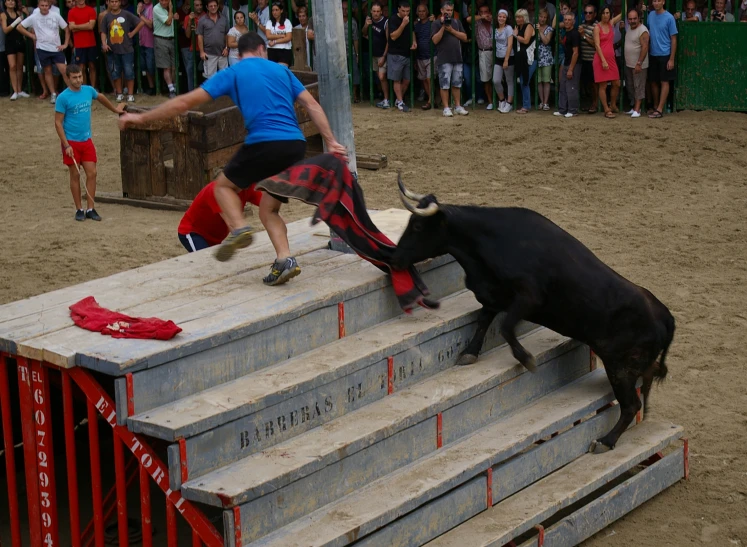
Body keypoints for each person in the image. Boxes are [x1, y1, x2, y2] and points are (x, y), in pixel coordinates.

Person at [119, 32, 347, 285]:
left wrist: (140, 118)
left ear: (240, 53)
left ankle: (238, 227)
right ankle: (285, 260)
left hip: (263, 142)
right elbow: (312, 105)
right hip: (294, 145)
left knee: (223, 186)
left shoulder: (233, 72)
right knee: (268, 209)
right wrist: (332, 141)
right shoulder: (282, 71)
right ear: (262, 49)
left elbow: (184, 102)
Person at [54, 64, 124, 221]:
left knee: (92, 173)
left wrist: (114, 109)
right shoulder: (63, 98)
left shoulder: (88, 90)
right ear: (68, 78)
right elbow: (58, 123)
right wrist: (66, 145)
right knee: (75, 174)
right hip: (71, 142)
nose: (78, 80)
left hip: (86, 140)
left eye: (80, 76)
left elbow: (100, 97)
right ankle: (79, 209)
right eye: (75, 77)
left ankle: (91, 208)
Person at [178, 181, 262, 251]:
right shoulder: (215, 191)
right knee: (205, 260)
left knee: (212, 262)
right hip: (193, 233)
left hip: (215, 237)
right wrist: (241, 235)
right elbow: (231, 223)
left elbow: (266, 204)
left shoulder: (246, 186)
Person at [16, 0, 70, 104]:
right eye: (42, 5)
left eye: (46, 5)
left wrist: (66, 44)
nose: (45, 7)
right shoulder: (34, 16)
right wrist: (31, 36)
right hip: (42, 48)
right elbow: (19, 27)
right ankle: (53, 94)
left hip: (56, 48)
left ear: (49, 6)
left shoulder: (55, 15)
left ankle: (73, 92)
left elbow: (66, 28)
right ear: (38, 6)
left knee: (64, 70)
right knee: (47, 71)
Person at [100, 0, 144, 102]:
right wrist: (104, 43)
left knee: (129, 72)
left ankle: (130, 94)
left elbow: (140, 23)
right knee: (115, 73)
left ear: (120, 3)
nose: (114, 3)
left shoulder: (127, 14)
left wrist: (132, 33)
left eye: (116, 1)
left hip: (127, 49)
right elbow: (103, 32)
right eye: (112, 1)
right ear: (109, 3)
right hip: (112, 50)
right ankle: (119, 94)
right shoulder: (106, 17)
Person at [431, 0, 468, 117]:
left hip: (457, 57)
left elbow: (465, 37)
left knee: (457, 83)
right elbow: (435, 40)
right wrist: (443, 27)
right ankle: (446, 107)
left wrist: (451, 30)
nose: (449, 13)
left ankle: (457, 106)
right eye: (447, 10)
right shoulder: (436, 23)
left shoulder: (456, 22)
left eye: (451, 10)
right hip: (444, 58)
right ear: (442, 10)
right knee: (444, 84)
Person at [646, 0, 676, 118]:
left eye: (658, 1)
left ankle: (660, 109)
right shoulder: (650, 15)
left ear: (663, 2)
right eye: (654, 1)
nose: (656, 3)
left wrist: (672, 58)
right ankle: (655, 106)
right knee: (653, 81)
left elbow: (673, 38)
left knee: (664, 81)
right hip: (653, 53)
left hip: (665, 54)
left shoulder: (669, 18)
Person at [592, 5, 621, 118]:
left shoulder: (611, 23)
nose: (605, 15)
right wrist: (603, 61)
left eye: (607, 13)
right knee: (603, 85)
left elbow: (623, 13)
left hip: (611, 59)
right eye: (603, 13)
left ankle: (613, 104)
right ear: (600, 14)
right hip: (600, 59)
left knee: (616, 83)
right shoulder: (597, 27)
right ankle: (606, 109)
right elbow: (597, 45)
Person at [386, 0, 415, 112]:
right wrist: (403, 24)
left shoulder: (409, 19)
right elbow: (393, 36)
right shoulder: (393, 19)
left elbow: (412, 31)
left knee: (407, 80)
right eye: (403, 11)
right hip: (395, 54)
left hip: (407, 53)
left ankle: (399, 100)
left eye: (408, 11)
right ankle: (401, 102)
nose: (405, 13)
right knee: (396, 80)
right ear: (398, 9)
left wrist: (414, 41)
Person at [362, 1, 389, 108]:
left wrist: (384, 56)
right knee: (379, 77)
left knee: (382, 77)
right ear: (371, 11)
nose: (376, 13)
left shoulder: (385, 22)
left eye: (378, 11)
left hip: (382, 54)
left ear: (381, 12)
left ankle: (387, 99)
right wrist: (366, 25)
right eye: (374, 11)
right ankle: (385, 98)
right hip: (373, 54)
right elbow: (363, 33)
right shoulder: (369, 21)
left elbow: (388, 41)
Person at [1, 0, 30, 100]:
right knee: (12, 66)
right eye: (8, 1)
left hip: (20, 41)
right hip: (10, 43)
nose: (11, 2)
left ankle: (19, 89)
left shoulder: (18, 13)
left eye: (12, 0)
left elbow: (26, 25)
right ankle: (15, 91)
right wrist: (17, 21)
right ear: (5, 3)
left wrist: (27, 14)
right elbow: (5, 30)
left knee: (19, 66)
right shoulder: (3, 15)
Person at [554, 11, 580, 117]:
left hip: (573, 64)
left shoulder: (574, 33)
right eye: (565, 20)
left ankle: (572, 110)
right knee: (563, 86)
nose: (567, 22)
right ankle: (562, 109)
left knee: (571, 87)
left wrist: (571, 69)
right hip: (567, 62)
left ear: (573, 21)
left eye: (569, 20)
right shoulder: (566, 32)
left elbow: (576, 52)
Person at [623, 7, 648, 118]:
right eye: (630, 19)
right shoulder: (629, 28)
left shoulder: (643, 30)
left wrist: (639, 63)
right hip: (629, 64)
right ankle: (634, 107)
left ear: (639, 18)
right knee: (630, 86)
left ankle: (637, 110)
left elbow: (645, 47)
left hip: (638, 65)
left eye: (634, 19)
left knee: (639, 86)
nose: (632, 21)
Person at [68, 0, 98, 88]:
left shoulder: (91, 10)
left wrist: (76, 26)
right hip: (79, 44)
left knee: (92, 66)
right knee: (81, 68)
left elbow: (91, 26)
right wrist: (86, 26)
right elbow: (71, 28)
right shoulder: (72, 12)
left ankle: (93, 88)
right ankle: (84, 88)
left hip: (91, 43)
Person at [152, 0, 178, 97]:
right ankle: (171, 89)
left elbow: (172, 22)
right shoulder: (156, 8)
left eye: (165, 0)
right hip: (161, 39)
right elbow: (168, 22)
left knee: (174, 66)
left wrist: (175, 17)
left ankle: (174, 86)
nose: (163, 2)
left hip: (171, 38)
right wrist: (171, 10)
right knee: (166, 67)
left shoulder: (169, 9)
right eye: (161, 0)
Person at [513, 8, 535, 114]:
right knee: (522, 81)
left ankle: (526, 106)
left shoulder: (529, 26)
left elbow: (526, 40)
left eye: (520, 17)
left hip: (530, 59)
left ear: (525, 17)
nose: (518, 19)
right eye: (517, 17)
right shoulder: (518, 27)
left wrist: (516, 35)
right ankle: (525, 104)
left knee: (524, 81)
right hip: (522, 58)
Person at [197, 0, 228, 77]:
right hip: (209, 54)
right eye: (211, 6)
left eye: (215, 5)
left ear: (218, 6)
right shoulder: (202, 20)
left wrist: (227, 48)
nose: (213, 7)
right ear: (207, 7)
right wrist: (201, 52)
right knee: (210, 79)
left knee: (225, 77)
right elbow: (200, 36)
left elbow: (227, 34)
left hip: (222, 53)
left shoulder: (224, 19)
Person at [413, 3, 434, 109]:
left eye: (423, 11)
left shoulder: (432, 23)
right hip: (420, 56)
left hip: (432, 55)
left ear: (427, 12)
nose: (421, 13)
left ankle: (430, 101)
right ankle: (432, 99)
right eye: (419, 11)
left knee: (430, 79)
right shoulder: (416, 25)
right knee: (424, 79)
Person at [493, 8, 514, 113]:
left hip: (508, 57)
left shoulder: (508, 28)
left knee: (509, 80)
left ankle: (509, 103)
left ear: (506, 18)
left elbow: (510, 44)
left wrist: (506, 60)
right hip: (498, 56)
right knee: (496, 80)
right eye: (500, 16)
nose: (501, 18)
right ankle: (502, 100)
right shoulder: (495, 28)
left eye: (503, 17)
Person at [473, 4, 494, 109]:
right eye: (482, 12)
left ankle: (500, 100)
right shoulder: (477, 22)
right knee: (486, 79)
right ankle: (490, 101)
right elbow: (468, 19)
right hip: (483, 52)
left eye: (486, 11)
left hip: (496, 52)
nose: (485, 14)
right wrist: (482, 17)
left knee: (497, 78)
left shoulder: (495, 21)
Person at [577, 3, 597, 113]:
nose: (588, 14)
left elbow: (596, 44)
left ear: (595, 14)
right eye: (586, 12)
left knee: (594, 84)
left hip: (593, 59)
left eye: (590, 12)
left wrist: (584, 35)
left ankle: (595, 103)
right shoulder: (582, 24)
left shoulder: (597, 26)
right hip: (583, 59)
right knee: (586, 84)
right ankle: (588, 103)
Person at [180, 0, 204, 91]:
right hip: (193, 48)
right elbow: (188, 35)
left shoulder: (206, 16)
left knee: (202, 69)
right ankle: (191, 93)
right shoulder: (188, 17)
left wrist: (198, 29)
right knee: (189, 70)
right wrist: (190, 21)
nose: (199, 7)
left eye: (201, 5)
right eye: (197, 5)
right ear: (193, 6)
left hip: (205, 49)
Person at [135, 0, 156, 95]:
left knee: (151, 66)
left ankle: (156, 86)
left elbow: (150, 24)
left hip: (150, 42)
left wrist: (139, 14)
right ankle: (151, 87)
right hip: (141, 41)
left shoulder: (153, 7)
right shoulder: (141, 6)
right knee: (145, 67)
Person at [536, 8, 553, 110]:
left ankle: (546, 102)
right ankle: (541, 101)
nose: (542, 19)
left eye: (545, 17)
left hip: (546, 57)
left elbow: (546, 41)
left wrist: (539, 31)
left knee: (546, 80)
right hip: (536, 57)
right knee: (539, 81)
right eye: (541, 16)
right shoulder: (533, 27)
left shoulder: (549, 29)